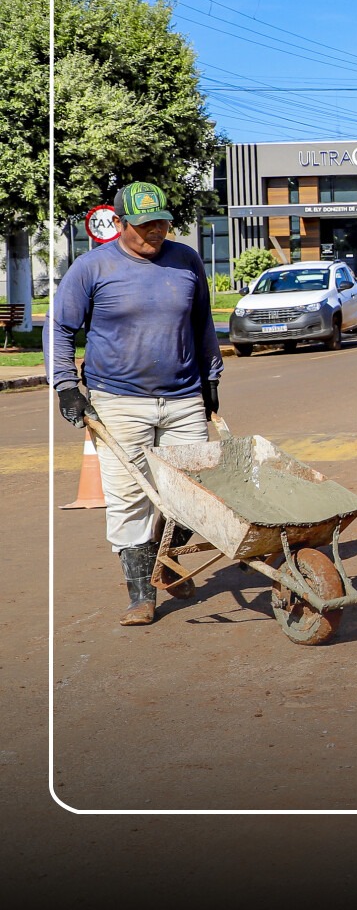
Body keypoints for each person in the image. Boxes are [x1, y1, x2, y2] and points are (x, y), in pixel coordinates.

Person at [50, 182, 221, 627]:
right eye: (145, 225)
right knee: (130, 498)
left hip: (183, 396)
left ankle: (168, 562)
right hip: (118, 400)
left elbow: (202, 323)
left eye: (161, 222)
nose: (155, 232)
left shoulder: (186, 260)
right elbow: (60, 329)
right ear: (121, 223)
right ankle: (141, 595)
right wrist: (67, 386)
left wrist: (211, 378)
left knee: (192, 491)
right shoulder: (92, 267)